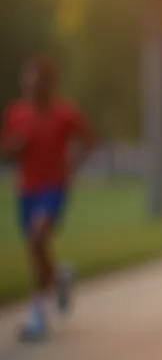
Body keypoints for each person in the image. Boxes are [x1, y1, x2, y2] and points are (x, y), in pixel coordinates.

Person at [2, 57, 95, 342]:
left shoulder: (64, 113)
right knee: (37, 249)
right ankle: (60, 277)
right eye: (25, 79)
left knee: (37, 238)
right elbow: (5, 151)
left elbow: (88, 139)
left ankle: (36, 314)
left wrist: (74, 165)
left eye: (33, 80)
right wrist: (14, 147)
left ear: (46, 84)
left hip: (53, 187)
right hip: (26, 191)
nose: (28, 84)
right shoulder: (16, 114)